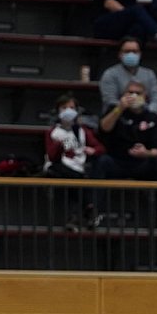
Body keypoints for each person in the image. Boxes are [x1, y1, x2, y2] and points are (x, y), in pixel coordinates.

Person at [99, 38, 157, 166]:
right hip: (121, 114)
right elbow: (110, 101)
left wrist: (146, 114)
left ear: (140, 54)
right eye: (127, 51)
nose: (131, 54)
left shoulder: (149, 74)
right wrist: (124, 106)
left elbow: (156, 99)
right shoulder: (110, 74)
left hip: (145, 112)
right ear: (120, 54)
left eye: (135, 51)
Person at [97, 80, 157, 185]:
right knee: (102, 162)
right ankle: (95, 196)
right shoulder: (115, 110)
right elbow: (104, 128)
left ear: (145, 97)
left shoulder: (152, 117)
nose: (133, 96)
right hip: (117, 161)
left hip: (142, 163)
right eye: (130, 92)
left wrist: (146, 153)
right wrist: (120, 108)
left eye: (138, 93)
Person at [44, 92, 103, 229]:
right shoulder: (52, 132)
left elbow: (100, 148)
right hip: (57, 166)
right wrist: (59, 146)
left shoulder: (83, 131)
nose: (68, 111)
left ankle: (74, 218)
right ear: (58, 111)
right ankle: (89, 209)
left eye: (71, 108)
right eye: (64, 108)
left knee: (74, 183)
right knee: (77, 179)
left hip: (77, 167)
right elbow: (52, 156)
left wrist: (93, 150)